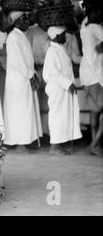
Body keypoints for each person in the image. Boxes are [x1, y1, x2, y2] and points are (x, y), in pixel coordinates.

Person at [3, 11, 43, 151]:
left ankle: (27, 140)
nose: (28, 21)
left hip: (24, 79)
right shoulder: (13, 37)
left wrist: (33, 75)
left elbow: (27, 60)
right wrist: (30, 75)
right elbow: (18, 63)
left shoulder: (22, 36)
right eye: (24, 18)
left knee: (26, 111)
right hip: (18, 81)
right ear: (16, 22)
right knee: (19, 111)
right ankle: (20, 143)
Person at [43, 26, 82, 155]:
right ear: (56, 36)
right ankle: (54, 147)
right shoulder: (52, 52)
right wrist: (68, 83)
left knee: (63, 115)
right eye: (63, 34)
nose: (65, 36)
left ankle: (59, 143)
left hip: (63, 89)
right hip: (57, 89)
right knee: (57, 116)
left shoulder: (60, 50)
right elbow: (53, 73)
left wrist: (70, 84)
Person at [79, 0, 103, 155]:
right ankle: (95, 144)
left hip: (86, 73)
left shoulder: (84, 27)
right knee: (99, 108)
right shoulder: (95, 27)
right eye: (96, 11)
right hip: (95, 73)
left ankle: (95, 144)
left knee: (96, 110)